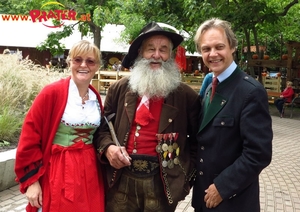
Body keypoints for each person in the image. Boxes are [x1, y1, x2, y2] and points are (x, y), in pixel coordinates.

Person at [96, 21, 200, 211]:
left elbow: (197, 143)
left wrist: (185, 181)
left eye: (163, 50)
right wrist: (108, 148)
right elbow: (102, 129)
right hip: (120, 180)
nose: (157, 55)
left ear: (170, 56)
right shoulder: (118, 90)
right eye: (150, 49)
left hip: (162, 183)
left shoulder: (187, 96)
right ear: (140, 53)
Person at [14, 40, 105, 212]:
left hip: (90, 171)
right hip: (58, 168)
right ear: (69, 62)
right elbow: (29, 137)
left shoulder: (95, 98)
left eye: (90, 61)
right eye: (78, 60)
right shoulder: (52, 93)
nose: (83, 65)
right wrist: (32, 183)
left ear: (97, 66)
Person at [192, 18, 272, 211]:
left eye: (219, 46)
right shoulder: (210, 87)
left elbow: (258, 154)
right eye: (206, 49)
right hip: (204, 200)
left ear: (232, 47)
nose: (213, 54)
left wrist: (222, 187)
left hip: (233, 201)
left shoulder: (250, 92)